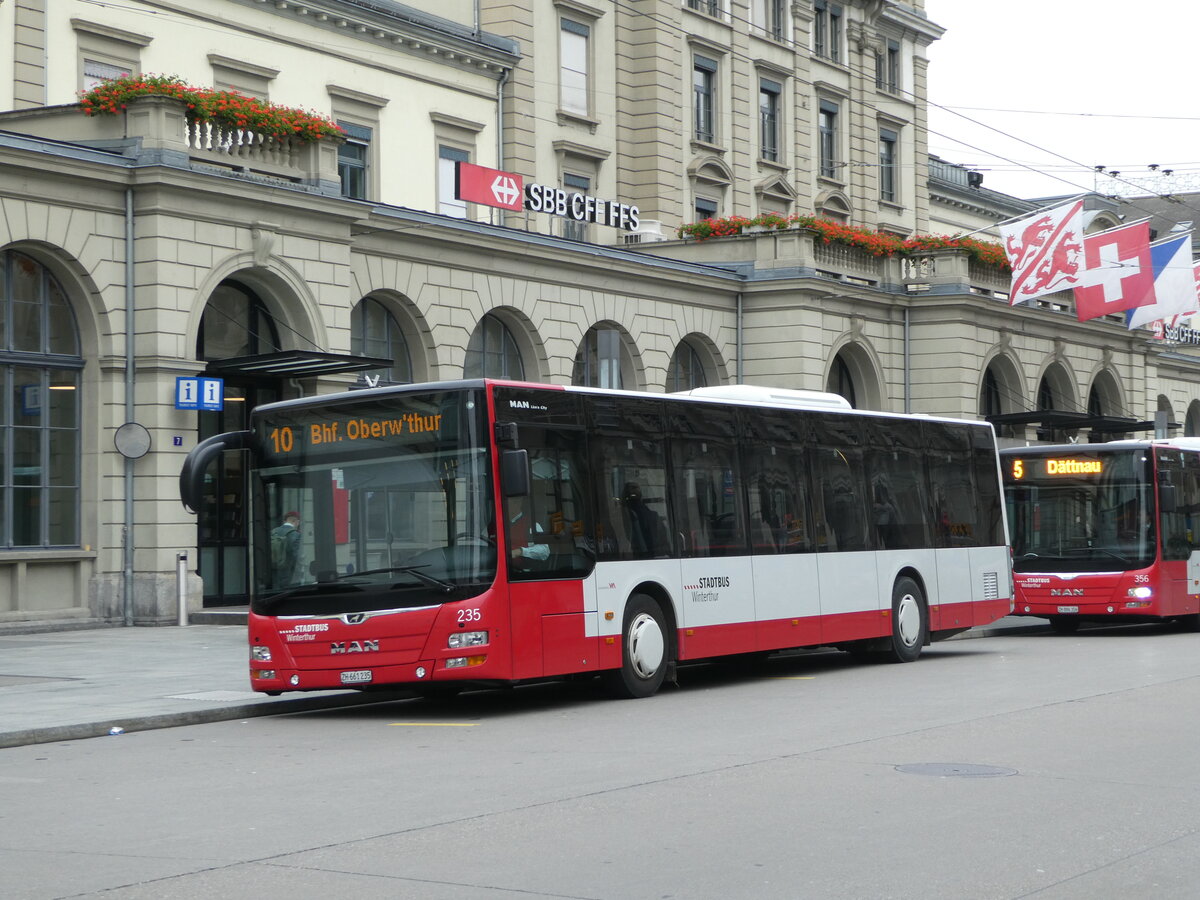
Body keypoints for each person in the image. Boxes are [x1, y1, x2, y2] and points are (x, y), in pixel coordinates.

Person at [622, 482, 662, 555]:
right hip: (640, 550)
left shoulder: (647, 511)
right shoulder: (626, 511)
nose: (634, 490)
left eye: (636, 488)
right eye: (632, 488)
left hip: (651, 548)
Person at [270, 511, 303, 586]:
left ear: (284, 521)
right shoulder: (296, 534)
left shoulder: (273, 532)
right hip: (287, 574)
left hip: (273, 571)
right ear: (297, 521)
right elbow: (295, 556)